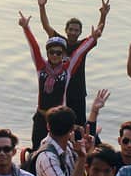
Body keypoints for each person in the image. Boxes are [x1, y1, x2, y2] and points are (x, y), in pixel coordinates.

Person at [19, 10, 102, 150]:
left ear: (63, 54)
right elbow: (34, 47)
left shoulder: (67, 69)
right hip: (41, 117)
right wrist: (26, 28)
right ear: (48, 53)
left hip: (59, 119)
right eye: (52, 52)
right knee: (37, 149)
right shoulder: (41, 67)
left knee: (61, 150)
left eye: (59, 52)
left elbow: (80, 52)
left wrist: (93, 38)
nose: (55, 55)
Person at [36, 0, 111, 126]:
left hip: (77, 91)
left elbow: (97, 32)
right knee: (59, 123)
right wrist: (42, 6)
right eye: (70, 29)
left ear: (80, 32)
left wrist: (103, 15)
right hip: (60, 90)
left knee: (78, 125)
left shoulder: (82, 45)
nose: (73, 32)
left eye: (76, 30)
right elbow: (46, 26)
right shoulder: (59, 42)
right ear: (66, 30)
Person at [31, 105, 93, 176]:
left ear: (48, 126)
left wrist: (85, 153)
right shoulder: (47, 157)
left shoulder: (69, 147)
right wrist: (81, 158)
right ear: (72, 128)